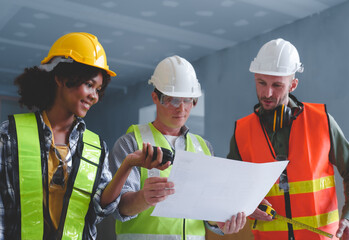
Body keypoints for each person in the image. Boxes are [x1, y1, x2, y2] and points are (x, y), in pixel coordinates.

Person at [0, 32, 168, 240]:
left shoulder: (95, 146)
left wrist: (128, 165)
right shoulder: (10, 134)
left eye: (98, 89)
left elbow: (102, 209)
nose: (94, 96)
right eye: (89, 85)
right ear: (61, 78)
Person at [227, 38, 349, 240]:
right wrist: (246, 205)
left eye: (277, 85)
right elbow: (230, 186)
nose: (267, 93)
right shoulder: (242, 131)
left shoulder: (321, 122)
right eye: (261, 83)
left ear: (293, 85)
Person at [109, 55, 246, 239]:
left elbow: (207, 210)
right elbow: (118, 207)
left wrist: (219, 222)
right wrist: (144, 198)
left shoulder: (203, 147)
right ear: (155, 98)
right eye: (172, 100)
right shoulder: (131, 143)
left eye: (188, 100)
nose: (181, 109)